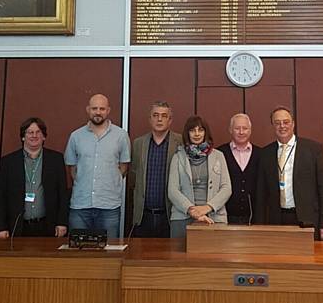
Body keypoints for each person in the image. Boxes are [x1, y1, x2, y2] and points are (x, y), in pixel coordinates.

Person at [254, 107, 323, 239]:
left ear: (293, 124)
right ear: (273, 125)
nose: (282, 126)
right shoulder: (265, 153)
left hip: (306, 218)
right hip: (277, 219)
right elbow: (261, 194)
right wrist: (259, 224)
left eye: (286, 122)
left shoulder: (313, 150)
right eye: (277, 123)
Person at [65, 94, 130, 238]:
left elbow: (123, 167)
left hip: (109, 206)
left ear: (108, 110)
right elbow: (73, 169)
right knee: (78, 252)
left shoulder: (121, 136)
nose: (98, 112)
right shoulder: (76, 136)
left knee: (110, 253)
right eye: (94, 108)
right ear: (88, 110)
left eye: (102, 108)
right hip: (80, 206)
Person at [0, 117, 69, 238]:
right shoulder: (8, 162)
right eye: (30, 132)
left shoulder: (56, 159)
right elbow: (0, 197)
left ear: (44, 136)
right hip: (18, 226)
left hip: (48, 225)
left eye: (38, 132)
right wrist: (0, 227)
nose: (34, 135)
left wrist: (62, 222)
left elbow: (63, 194)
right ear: (23, 137)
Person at [168, 115, 231, 238]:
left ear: (206, 133)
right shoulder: (178, 157)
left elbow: (226, 188)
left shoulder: (218, 156)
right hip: (183, 216)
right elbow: (172, 190)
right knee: (179, 256)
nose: (197, 134)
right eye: (192, 130)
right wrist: (193, 211)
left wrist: (207, 208)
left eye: (200, 130)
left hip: (214, 217)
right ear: (187, 133)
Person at [129, 102, 182, 237]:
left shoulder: (181, 142)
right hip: (144, 216)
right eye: (155, 115)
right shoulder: (139, 143)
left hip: (170, 214)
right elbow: (134, 177)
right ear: (150, 119)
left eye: (164, 116)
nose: (159, 119)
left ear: (170, 120)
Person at [217, 113, 261, 224]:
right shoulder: (219, 153)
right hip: (225, 217)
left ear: (250, 130)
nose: (241, 132)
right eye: (237, 128)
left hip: (254, 218)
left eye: (245, 128)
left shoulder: (261, 154)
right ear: (230, 130)